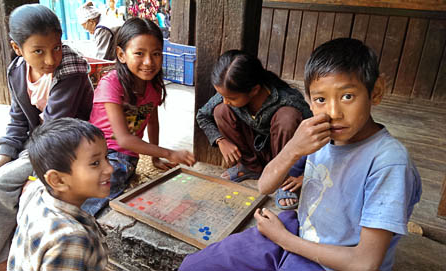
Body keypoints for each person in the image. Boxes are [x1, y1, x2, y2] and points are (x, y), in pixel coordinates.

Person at [179, 38, 422, 271]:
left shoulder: (389, 163)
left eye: (347, 96)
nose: (334, 112)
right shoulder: (321, 137)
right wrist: (294, 147)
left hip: (331, 262)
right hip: (299, 232)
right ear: (310, 101)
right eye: (320, 99)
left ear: (376, 91)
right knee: (194, 266)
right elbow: (264, 186)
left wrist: (284, 240)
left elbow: (365, 263)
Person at [0, 4, 93, 271]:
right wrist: (3, 158)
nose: (50, 59)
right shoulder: (17, 71)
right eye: (39, 51)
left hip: (62, 147)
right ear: (17, 49)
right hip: (33, 142)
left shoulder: (71, 72)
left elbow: (54, 130)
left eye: (56, 47)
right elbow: (18, 121)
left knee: (0, 184)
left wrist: (7, 166)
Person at [86, 17, 196, 216]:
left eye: (156, 54)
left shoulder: (153, 86)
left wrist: (155, 158)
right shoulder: (112, 84)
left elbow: (152, 121)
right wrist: (169, 153)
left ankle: (85, 215)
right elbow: (123, 138)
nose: (149, 62)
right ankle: (79, 220)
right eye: (139, 53)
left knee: (112, 175)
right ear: (121, 54)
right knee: (85, 183)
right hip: (93, 149)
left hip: (120, 156)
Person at [196, 49, 312, 209]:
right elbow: (202, 116)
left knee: (288, 117)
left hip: (282, 156)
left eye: (231, 98)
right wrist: (220, 140)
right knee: (220, 110)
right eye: (222, 96)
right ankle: (251, 167)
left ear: (254, 90)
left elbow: (315, 132)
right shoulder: (229, 93)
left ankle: (282, 180)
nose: (226, 100)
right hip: (254, 152)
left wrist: (304, 175)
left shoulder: (287, 100)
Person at [7, 118, 110, 270]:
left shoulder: (36, 192)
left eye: (106, 157)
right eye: (95, 163)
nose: (109, 168)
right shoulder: (71, 238)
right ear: (57, 180)